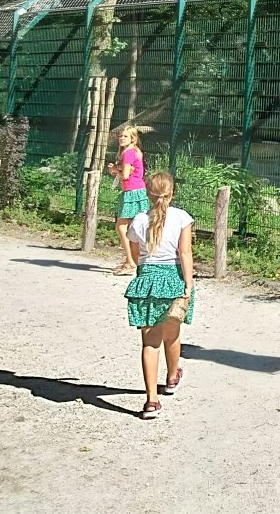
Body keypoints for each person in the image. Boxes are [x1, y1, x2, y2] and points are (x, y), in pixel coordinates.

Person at [124, 171, 194, 420]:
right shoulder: (182, 218)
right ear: (171, 193)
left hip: (147, 280)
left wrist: (141, 266)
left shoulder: (138, 220)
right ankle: (172, 377)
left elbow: (134, 253)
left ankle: (151, 401)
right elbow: (185, 253)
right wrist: (188, 284)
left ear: (146, 193)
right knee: (172, 334)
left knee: (149, 342)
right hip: (173, 278)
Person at [107, 127, 149, 276]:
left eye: (125, 136)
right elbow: (130, 171)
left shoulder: (128, 153)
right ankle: (132, 261)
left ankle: (131, 261)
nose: (121, 138)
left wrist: (115, 170)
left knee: (121, 226)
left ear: (133, 138)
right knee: (133, 226)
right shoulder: (135, 151)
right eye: (120, 136)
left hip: (131, 191)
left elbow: (125, 175)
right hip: (139, 190)